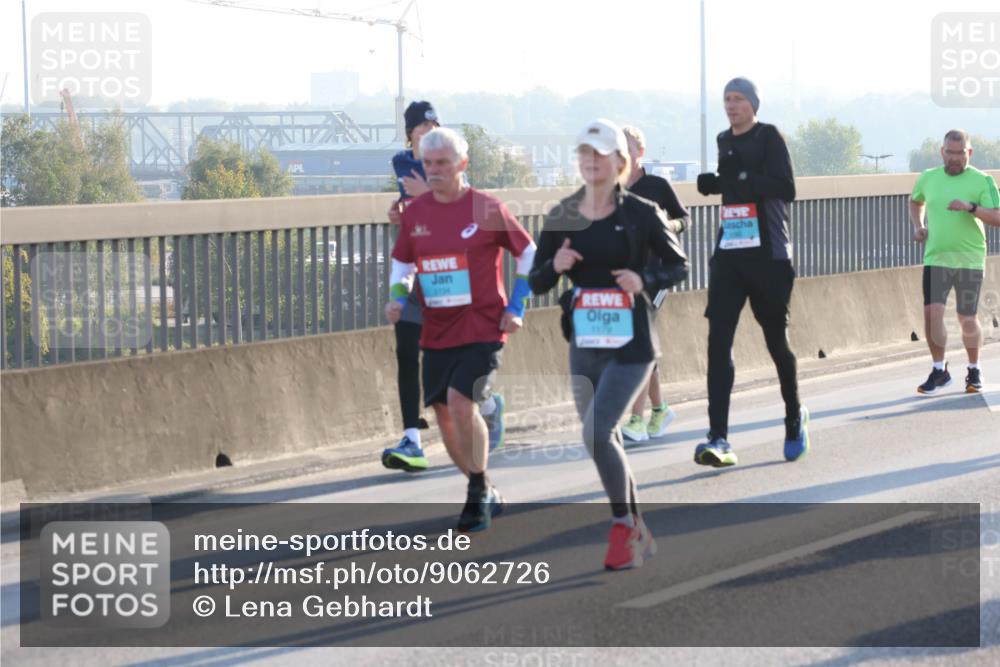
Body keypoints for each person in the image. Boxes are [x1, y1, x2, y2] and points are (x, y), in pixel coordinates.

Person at [529, 119, 688, 569]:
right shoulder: (563, 214)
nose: (591, 161)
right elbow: (536, 280)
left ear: (620, 162)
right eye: (584, 153)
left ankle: (622, 529)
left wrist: (644, 278)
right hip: (585, 341)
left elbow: (679, 265)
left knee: (596, 432)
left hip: (633, 343)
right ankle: (638, 527)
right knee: (607, 439)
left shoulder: (640, 211)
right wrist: (555, 265)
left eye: (599, 154)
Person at [386, 126, 536, 532]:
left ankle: (476, 493)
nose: (434, 171)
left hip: (483, 325)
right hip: (437, 329)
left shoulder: (486, 208)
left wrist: (517, 306)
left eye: (443, 164)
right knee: (441, 412)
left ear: (462, 165)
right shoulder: (415, 212)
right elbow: (403, 263)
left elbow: (528, 254)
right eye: (428, 164)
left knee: (459, 400)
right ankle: (481, 485)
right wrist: (398, 296)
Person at [382, 101, 507, 474]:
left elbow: (457, 203)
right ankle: (411, 439)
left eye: (432, 125)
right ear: (409, 135)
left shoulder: (449, 158)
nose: (426, 131)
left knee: (458, 359)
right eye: (419, 127)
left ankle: (486, 407)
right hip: (416, 269)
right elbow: (414, 208)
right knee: (406, 348)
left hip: (454, 274)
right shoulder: (402, 163)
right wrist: (400, 213)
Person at [695, 77, 808, 467]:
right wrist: (715, 185)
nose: (731, 105)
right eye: (727, 99)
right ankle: (718, 437)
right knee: (717, 341)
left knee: (776, 342)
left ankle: (794, 415)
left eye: (739, 98)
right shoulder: (724, 140)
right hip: (730, 253)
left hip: (769, 256)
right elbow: (733, 189)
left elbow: (786, 188)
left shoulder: (768, 137)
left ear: (754, 103)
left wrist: (743, 179)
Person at [910, 129, 1000, 395]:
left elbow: (997, 217)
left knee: (966, 316)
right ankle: (939, 370)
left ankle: (974, 368)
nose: (954, 158)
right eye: (949, 152)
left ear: (968, 153)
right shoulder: (928, 178)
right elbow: (915, 202)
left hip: (969, 259)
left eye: (960, 154)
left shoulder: (982, 181)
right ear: (942, 152)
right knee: (931, 314)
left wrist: (971, 208)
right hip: (936, 257)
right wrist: (919, 226)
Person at [619, 125, 690, 443]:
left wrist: (667, 225)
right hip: (627, 278)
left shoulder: (657, 185)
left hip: (657, 274)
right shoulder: (611, 187)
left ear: (640, 153)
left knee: (637, 343)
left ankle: (636, 419)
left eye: (630, 148)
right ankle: (660, 409)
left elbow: (685, 218)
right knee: (639, 344)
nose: (625, 153)